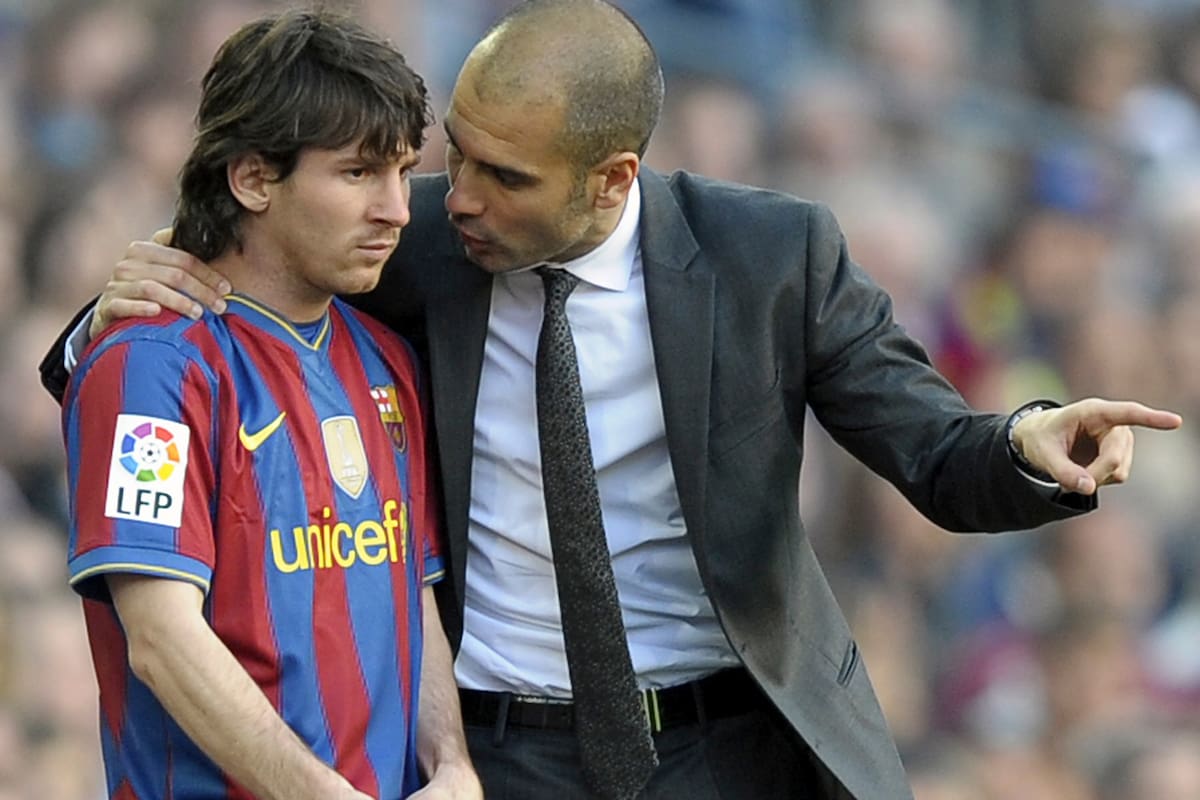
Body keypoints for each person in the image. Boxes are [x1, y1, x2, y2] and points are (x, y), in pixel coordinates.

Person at [40, 1, 1182, 798]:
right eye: (460, 156)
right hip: (506, 750)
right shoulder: (417, 242)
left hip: (730, 740)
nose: (453, 197)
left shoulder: (768, 255)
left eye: (504, 176)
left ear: (612, 179)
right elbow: (246, 262)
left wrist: (1031, 445)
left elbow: (932, 446)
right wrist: (110, 307)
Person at [54, 10, 480, 800]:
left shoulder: (386, 362)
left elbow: (408, 593)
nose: (397, 209)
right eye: (357, 174)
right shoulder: (152, 366)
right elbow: (160, 639)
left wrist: (451, 764)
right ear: (252, 178)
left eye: (400, 172)